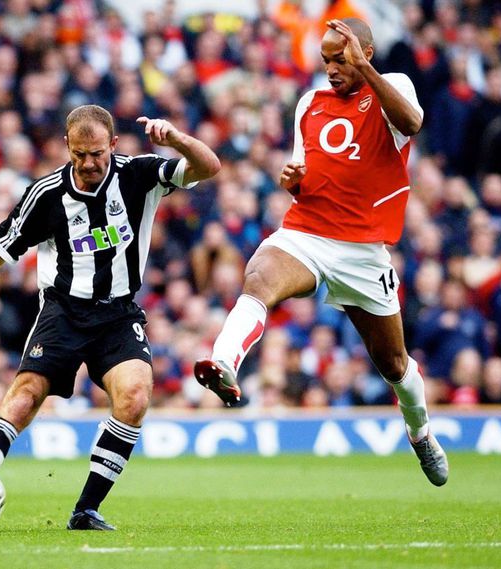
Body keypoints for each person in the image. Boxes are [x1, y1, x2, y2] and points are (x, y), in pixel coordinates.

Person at [0, 104, 220, 531]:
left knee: (136, 395)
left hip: (119, 313)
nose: (89, 163)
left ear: (114, 146)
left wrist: (176, 139)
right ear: (67, 146)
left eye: (98, 153)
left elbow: (209, 167)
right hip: (64, 312)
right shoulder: (46, 195)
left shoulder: (139, 175)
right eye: (80, 154)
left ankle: (85, 510)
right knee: (27, 394)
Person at [194, 19, 449, 487]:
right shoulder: (310, 103)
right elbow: (304, 176)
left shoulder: (391, 85)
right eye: (326, 60)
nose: (331, 69)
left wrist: (365, 69)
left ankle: (421, 434)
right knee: (259, 274)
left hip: (364, 250)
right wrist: (293, 180)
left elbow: (412, 123)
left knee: (393, 364)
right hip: (308, 233)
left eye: (340, 58)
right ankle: (225, 362)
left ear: (365, 53)